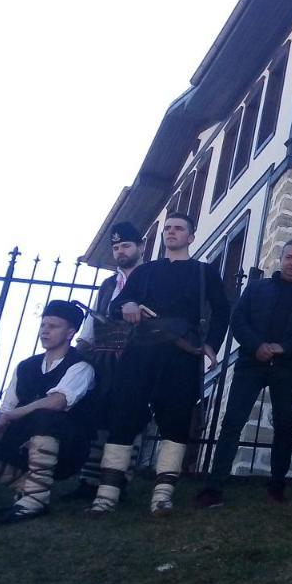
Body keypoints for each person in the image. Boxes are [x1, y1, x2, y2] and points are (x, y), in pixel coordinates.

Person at [88, 212, 230, 516]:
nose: (171, 232)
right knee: (124, 416)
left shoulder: (205, 273)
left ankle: (162, 495)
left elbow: (221, 311)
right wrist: (126, 304)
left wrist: (209, 345)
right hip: (140, 350)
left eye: (179, 229)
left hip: (180, 354)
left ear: (191, 237)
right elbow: (116, 305)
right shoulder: (145, 272)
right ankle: (106, 495)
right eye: (167, 228)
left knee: (176, 420)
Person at [195, 240, 292, 507]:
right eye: (289, 256)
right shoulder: (256, 288)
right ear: (281, 257)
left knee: (284, 427)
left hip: (287, 367)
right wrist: (258, 346)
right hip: (250, 363)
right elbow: (238, 320)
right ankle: (214, 487)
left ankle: (277, 488)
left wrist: (284, 348)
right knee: (231, 424)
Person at [0, 301, 95, 524]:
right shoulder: (26, 366)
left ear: (70, 332)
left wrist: (8, 417)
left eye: (53, 326)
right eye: (43, 325)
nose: (45, 330)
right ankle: (26, 485)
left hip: (66, 449)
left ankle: (36, 500)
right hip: (21, 442)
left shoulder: (81, 366)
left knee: (45, 416)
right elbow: (7, 408)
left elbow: (57, 402)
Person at [68, 221, 144, 501]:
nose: (120, 251)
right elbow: (95, 315)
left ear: (140, 246)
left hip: (135, 355)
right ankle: (89, 481)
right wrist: (83, 343)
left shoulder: (149, 278)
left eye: (125, 245)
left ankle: (120, 479)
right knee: (99, 414)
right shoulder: (109, 284)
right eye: (116, 247)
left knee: (129, 416)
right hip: (103, 356)